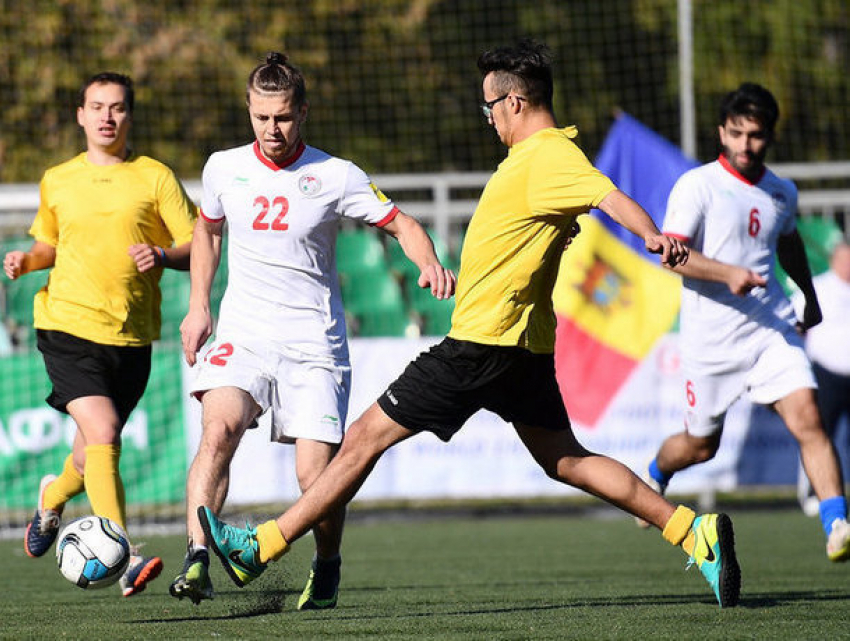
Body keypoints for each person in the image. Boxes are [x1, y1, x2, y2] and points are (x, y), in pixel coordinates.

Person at [196, 40, 743, 609]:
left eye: (489, 109)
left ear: (514, 102)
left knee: (362, 440)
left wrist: (652, 234)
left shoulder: (549, 156)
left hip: (480, 343)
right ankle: (691, 532)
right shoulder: (537, 161)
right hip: (522, 348)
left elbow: (609, 197)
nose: (488, 120)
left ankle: (263, 546)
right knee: (567, 459)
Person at [168, 52, 456, 608]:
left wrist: (428, 262)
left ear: (303, 112)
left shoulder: (335, 174)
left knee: (314, 477)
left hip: (313, 345)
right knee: (219, 430)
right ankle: (198, 556)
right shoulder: (222, 167)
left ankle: (327, 564)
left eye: (282, 118)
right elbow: (207, 233)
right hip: (244, 332)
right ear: (248, 111)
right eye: (260, 118)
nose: (271, 130)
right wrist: (198, 305)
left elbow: (402, 223)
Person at [638, 83, 850, 562]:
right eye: (737, 134)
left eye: (755, 136)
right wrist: (726, 272)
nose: (745, 145)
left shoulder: (782, 191)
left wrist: (810, 300)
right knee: (699, 448)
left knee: (809, 419)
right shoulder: (698, 185)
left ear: (769, 136)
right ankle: (656, 471)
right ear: (722, 131)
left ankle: (837, 523)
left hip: (769, 327)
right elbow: (671, 257)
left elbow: (790, 242)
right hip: (711, 340)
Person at [4, 72, 197, 595]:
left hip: (131, 335)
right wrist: (29, 259)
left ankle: (52, 499)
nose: (106, 116)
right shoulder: (58, 178)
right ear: (81, 115)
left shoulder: (155, 177)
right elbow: (49, 243)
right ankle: (126, 557)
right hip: (66, 323)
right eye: (97, 106)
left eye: (116, 108)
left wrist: (160, 254)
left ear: (128, 116)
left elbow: (193, 244)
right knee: (106, 431)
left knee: (91, 453)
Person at [793, 241, 850, 517]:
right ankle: (813, 492)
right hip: (826, 374)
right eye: (844, 260)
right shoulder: (818, 287)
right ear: (833, 260)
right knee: (818, 435)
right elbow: (796, 323)